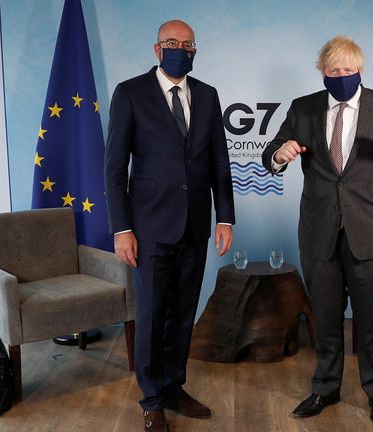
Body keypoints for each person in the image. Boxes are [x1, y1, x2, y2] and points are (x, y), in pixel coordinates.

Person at [261, 35, 373, 426]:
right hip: (319, 231)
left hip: (370, 232)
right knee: (325, 316)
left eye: (347, 70)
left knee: (370, 319)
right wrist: (278, 154)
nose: (340, 75)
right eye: (333, 70)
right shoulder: (302, 108)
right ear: (323, 72)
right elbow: (271, 150)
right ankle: (325, 387)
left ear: (361, 71)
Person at [104, 19, 235, 432]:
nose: (181, 49)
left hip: (195, 225)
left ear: (195, 51)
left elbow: (219, 163)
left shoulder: (209, 96)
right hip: (149, 228)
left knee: (182, 313)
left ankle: (174, 386)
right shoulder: (130, 93)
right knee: (152, 314)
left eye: (188, 44)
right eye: (172, 43)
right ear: (157, 49)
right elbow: (113, 168)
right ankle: (151, 399)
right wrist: (121, 228)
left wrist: (225, 217)